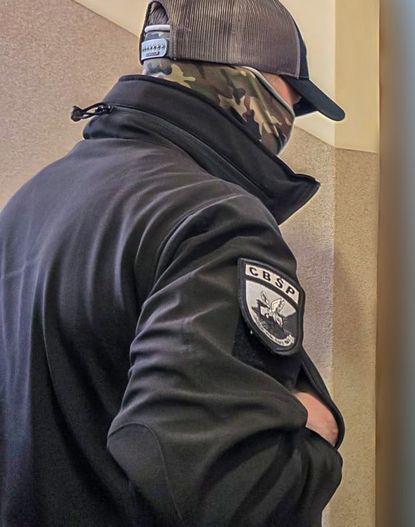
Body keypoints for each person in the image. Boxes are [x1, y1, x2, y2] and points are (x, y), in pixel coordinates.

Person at [0, 1, 346, 525]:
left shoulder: (31, 199)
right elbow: (230, 487)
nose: (289, 118)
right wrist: (314, 430)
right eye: (291, 98)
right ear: (245, 81)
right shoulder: (216, 218)